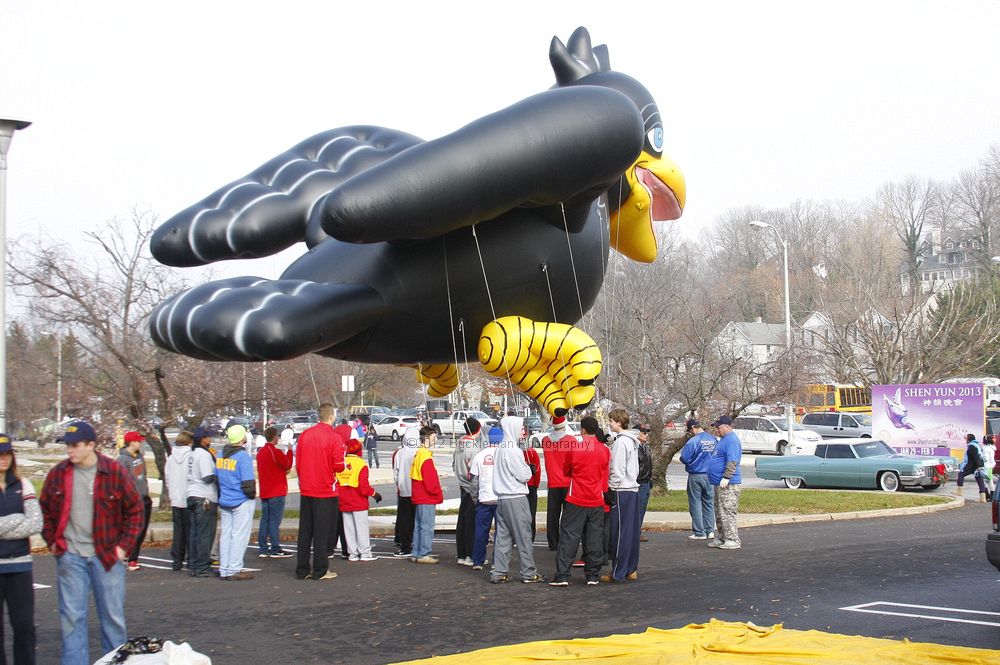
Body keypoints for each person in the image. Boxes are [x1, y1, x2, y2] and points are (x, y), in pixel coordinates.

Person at [40, 421, 143, 665]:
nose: (70, 451)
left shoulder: (113, 471)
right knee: (72, 618)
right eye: (68, 446)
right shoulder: (58, 473)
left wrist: (122, 548)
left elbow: (135, 509)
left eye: (75, 446)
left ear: (91, 445)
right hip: (71, 556)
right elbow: (44, 510)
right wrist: (53, 543)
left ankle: (115, 661)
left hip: (106, 556)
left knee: (112, 618)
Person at [549, 416, 610, 587]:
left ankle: (562, 575)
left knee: (569, 536)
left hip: (577, 497)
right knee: (594, 537)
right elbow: (605, 472)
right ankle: (592, 574)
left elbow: (567, 470)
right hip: (596, 498)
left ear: (582, 430)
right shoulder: (604, 450)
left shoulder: (575, 447)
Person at [0, 434, 42, 665]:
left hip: (20, 565)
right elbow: (25, 522)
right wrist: (18, 519)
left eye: (7, 454)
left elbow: (36, 522)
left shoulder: (23, 484)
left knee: (24, 626)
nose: (3, 459)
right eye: (0, 455)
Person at [295, 404, 346, 580]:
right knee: (322, 533)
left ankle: (302, 568)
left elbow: (298, 461)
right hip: (326, 490)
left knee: (305, 531)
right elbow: (338, 465)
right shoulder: (334, 438)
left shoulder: (305, 435)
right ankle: (320, 569)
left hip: (307, 488)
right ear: (331, 416)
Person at [489, 434, 544, 583]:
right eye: (520, 429)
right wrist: (529, 470)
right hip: (516, 496)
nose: (523, 433)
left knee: (503, 538)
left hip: (502, 498)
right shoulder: (513, 450)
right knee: (523, 536)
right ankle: (528, 572)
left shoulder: (501, 448)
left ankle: (499, 572)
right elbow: (523, 475)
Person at [603, 408, 640, 583]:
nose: (610, 424)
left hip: (621, 490)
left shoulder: (621, 443)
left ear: (619, 422)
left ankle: (618, 571)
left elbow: (617, 469)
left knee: (619, 533)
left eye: (611, 421)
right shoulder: (632, 441)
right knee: (631, 532)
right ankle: (631, 568)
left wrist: (611, 487)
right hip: (632, 489)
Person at [216, 423, 257, 580]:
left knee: (226, 535)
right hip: (240, 500)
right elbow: (248, 482)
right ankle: (234, 568)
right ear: (242, 438)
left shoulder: (220, 455)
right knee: (239, 536)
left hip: (225, 499)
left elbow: (216, 478)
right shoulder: (243, 456)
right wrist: (251, 495)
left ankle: (224, 568)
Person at [337, 438, 381, 561]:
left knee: (348, 529)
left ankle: (352, 553)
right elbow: (363, 487)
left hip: (343, 500)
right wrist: (374, 494)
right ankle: (365, 553)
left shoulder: (342, 463)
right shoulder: (361, 464)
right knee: (361, 528)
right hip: (358, 501)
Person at [186, 427, 219, 578]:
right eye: (208, 437)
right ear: (202, 439)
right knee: (205, 533)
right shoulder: (204, 455)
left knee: (195, 532)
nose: (210, 440)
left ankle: (193, 563)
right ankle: (202, 566)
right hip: (204, 496)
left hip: (191, 493)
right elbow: (207, 477)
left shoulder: (192, 454)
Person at [116, 431, 151, 571]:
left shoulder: (140, 457)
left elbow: (143, 476)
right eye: (138, 441)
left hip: (144, 495)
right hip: (132, 499)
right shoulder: (122, 460)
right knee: (135, 528)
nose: (140, 443)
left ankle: (132, 555)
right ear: (131, 442)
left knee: (142, 529)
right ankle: (131, 558)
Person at [257, 426, 293, 558]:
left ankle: (263, 547)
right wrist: (289, 451)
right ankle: (275, 547)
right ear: (274, 437)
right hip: (275, 490)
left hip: (266, 489)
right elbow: (287, 463)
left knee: (265, 519)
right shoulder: (274, 451)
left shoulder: (261, 452)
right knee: (274, 520)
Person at [708, 416, 742, 550]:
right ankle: (723, 537)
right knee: (719, 511)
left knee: (727, 511)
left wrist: (727, 477)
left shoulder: (732, 440)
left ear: (727, 426)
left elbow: (732, 461)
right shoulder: (723, 440)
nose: (717, 430)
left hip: (729, 483)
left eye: (719, 427)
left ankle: (732, 539)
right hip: (719, 483)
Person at [678, 419, 716, 540]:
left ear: (693, 428)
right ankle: (710, 530)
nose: (690, 432)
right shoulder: (713, 439)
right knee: (709, 503)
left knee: (695, 503)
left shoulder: (693, 441)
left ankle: (699, 532)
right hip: (710, 475)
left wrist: (691, 463)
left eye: (690, 430)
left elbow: (684, 457)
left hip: (696, 475)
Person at [453, 417, 483, 566]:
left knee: (462, 520)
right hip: (471, 486)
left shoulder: (458, 445)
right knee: (471, 522)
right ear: (477, 429)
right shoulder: (474, 448)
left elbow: (454, 464)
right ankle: (470, 555)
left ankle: (461, 553)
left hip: (461, 484)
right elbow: (475, 471)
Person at [410, 426, 443, 563]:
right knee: (427, 526)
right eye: (434, 437)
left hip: (419, 494)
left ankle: (416, 552)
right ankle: (424, 553)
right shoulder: (425, 455)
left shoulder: (419, 452)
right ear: (427, 438)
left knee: (418, 526)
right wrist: (438, 492)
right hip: (426, 496)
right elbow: (430, 480)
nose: (436, 440)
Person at [469, 428, 500, 571]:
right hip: (500, 499)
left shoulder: (479, 456)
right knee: (501, 533)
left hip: (484, 498)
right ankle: (497, 562)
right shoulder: (504, 455)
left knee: (481, 531)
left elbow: (474, 481)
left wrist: (475, 498)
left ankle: (478, 561)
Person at [542, 416, 574, 551]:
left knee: (552, 514)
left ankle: (553, 542)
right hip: (567, 482)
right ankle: (566, 541)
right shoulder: (571, 441)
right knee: (568, 515)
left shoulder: (545, 441)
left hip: (553, 481)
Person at [164, 430, 193, 571]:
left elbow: (167, 477)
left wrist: (171, 492)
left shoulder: (170, 457)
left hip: (175, 497)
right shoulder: (191, 456)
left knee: (178, 530)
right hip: (187, 496)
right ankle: (191, 558)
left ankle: (177, 560)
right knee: (190, 530)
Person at [391, 427, 420, 557]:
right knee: (417, 520)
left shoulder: (399, 453)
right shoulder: (420, 452)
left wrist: (400, 485)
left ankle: (405, 546)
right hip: (417, 491)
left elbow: (395, 473)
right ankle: (418, 544)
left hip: (404, 491)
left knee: (404, 520)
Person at [956, 432, 989, 502]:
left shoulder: (972, 447)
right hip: (977, 466)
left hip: (972, 466)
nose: (965, 440)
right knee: (980, 480)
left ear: (968, 439)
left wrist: (978, 467)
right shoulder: (976, 445)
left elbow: (975, 457)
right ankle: (983, 498)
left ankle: (960, 491)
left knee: (960, 474)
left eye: (966, 438)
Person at [635, 423, 653, 542]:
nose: (646, 435)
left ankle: (638, 530)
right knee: (638, 509)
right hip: (639, 482)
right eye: (644, 433)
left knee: (642, 509)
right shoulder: (634, 447)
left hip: (646, 482)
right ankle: (636, 532)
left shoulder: (645, 447)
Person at [522, 436, 541, 542]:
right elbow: (537, 470)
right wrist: (536, 483)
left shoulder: (529, 453)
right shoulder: (531, 452)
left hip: (525, 485)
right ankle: (530, 536)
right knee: (530, 512)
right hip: (530, 485)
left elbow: (537, 469)